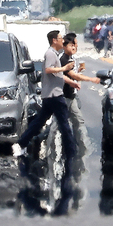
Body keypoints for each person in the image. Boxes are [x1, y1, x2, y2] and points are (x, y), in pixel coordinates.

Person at [13, 31, 79, 169]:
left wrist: (71, 81)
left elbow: (56, 73)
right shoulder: (50, 54)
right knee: (65, 125)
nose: (63, 41)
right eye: (61, 39)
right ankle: (72, 153)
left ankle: (20, 144)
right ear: (54, 40)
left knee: (39, 122)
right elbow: (49, 70)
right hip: (55, 96)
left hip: (51, 95)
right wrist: (65, 67)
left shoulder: (53, 54)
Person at [53, 33, 101, 158]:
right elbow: (73, 77)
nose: (75, 47)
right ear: (64, 46)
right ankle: (52, 152)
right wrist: (90, 79)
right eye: (72, 45)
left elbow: (73, 75)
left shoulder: (71, 59)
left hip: (71, 97)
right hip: (63, 98)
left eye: (76, 45)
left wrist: (78, 71)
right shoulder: (63, 59)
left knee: (78, 122)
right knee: (56, 126)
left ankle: (83, 150)